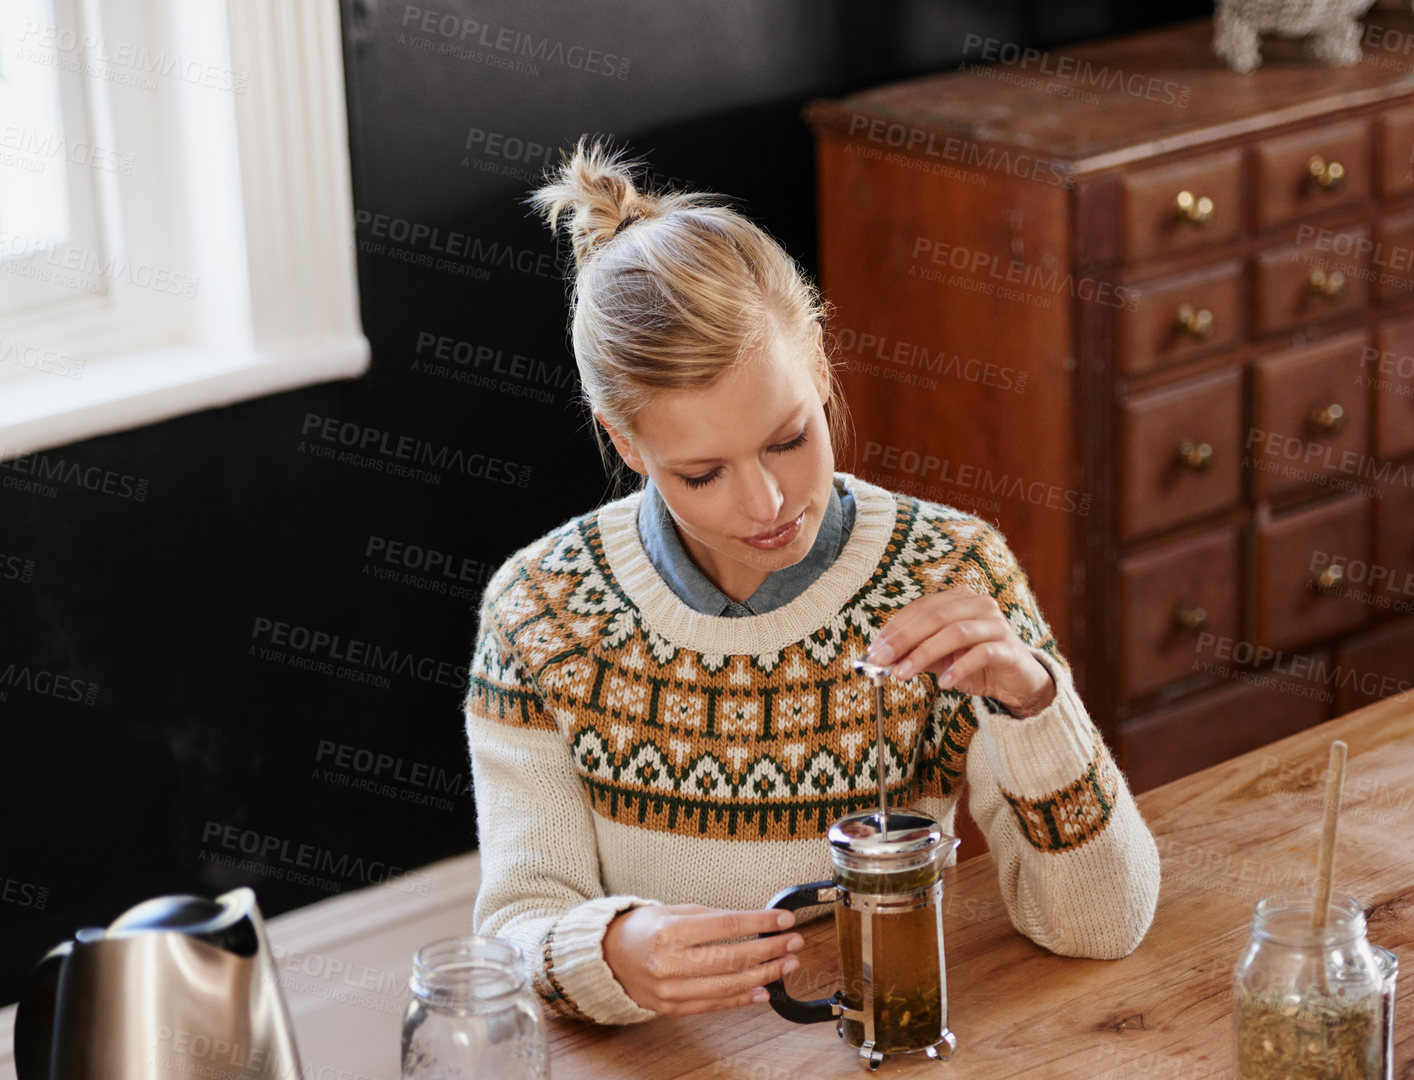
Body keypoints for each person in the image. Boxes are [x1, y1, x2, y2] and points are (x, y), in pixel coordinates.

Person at [463, 138, 1160, 1026]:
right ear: (626, 444)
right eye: (702, 473)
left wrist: (1032, 705)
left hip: (890, 1069)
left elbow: (1104, 925)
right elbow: (517, 927)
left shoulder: (950, 567)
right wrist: (605, 952)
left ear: (821, 362)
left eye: (790, 438)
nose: (767, 502)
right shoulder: (541, 611)